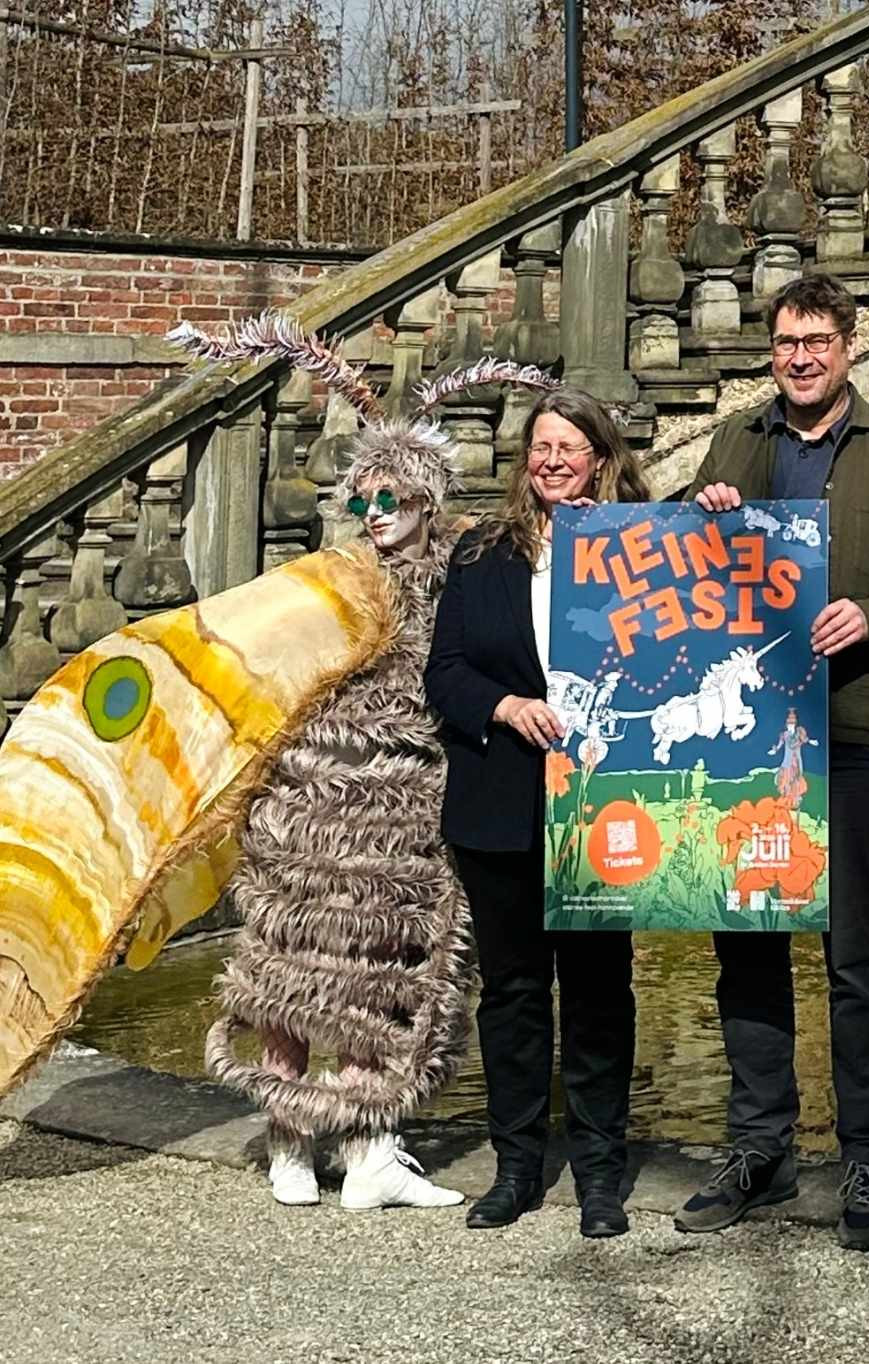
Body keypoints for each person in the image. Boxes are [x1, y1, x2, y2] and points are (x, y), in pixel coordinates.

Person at [672, 272, 869, 1251]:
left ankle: (866, 1154)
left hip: (853, 729)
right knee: (745, 943)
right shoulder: (737, 441)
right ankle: (757, 1147)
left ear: (847, 345)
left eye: (816, 340)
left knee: (854, 951)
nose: (799, 356)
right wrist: (700, 509)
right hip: (745, 737)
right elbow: (672, 559)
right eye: (786, 341)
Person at [200, 328, 477, 1213]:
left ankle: (365, 1152)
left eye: (395, 494)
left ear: (430, 499)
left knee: (375, 970)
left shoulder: (457, 579)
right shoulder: (331, 581)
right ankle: (292, 1141)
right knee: (290, 963)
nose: (379, 510)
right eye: (367, 496)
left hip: (401, 808)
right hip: (311, 798)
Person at [426, 387, 654, 1239]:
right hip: (502, 799)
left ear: (600, 455)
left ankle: (599, 1172)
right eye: (541, 447)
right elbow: (443, 672)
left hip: (603, 801)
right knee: (514, 990)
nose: (553, 460)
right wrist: (505, 706)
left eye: (571, 446)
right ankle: (516, 1166)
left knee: (599, 990)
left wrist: (710, 510)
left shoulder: (644, 547)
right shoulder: (482, 552)